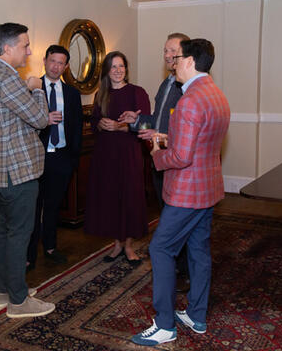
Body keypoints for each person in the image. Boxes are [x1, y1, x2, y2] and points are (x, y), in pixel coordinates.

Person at [131, 39, 230, 346]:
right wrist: (168, 135)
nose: (172, 63)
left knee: (160, 249)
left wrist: (157, 155)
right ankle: (197, 315)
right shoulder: (217, 95)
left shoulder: (188, 101)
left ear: (190, 61)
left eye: (177, 59)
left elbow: (181, 157)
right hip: (208, 188)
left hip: (187, 192)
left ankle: (164, 325)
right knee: (199, 250)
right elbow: (199, 142)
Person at [0, 23, 55, 319]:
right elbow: (39, 119)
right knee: (19, 235)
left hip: (2, 170)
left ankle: (4, 291)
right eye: (25, 45)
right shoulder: (8, 78)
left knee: (6, 232)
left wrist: (27, 88)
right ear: (7, 48)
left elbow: (14, 115)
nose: (29, 50)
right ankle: (19, 301)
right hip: (17, 171)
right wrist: (37, 89)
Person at [118, 32, 191, 292]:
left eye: (173, 51)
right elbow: (157, 121)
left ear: (185, 55)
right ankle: (176, 263)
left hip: (176, 162)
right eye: (165, 51)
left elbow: (187, 134)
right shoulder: (166, 84)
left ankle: (184, 269)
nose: (168, 56)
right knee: (166, 214)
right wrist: (136, 121)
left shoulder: (189, 88)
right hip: (159, 160)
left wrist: (160, 135)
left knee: (177, 219)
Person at [84, 51, 151, 266]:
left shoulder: (137, 92)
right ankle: (116, 244)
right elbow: (94, 122)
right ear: (107, 71)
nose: (118, 70)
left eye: (121, 66)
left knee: (129, 198)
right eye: (113, 67)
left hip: (128, 154)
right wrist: (101, 124)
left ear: (126, 69)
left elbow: (145, 126)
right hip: (106, 156)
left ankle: (129, 246)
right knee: (111, 199)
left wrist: (120, 126)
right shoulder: (101, 95)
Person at [26, 45, 83, 270]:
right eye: (52, 61)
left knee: (52, 206)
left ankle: (50, 247)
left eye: (61, 63)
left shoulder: (72, 93)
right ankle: (29, 256)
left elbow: (77, 126)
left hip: (61, 157)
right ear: (45, 60)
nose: (56, 66)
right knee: (32, 207)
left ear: (66, 66)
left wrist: (73, 159)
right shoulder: (31, 90)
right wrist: (43, 119)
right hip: (37, 157)